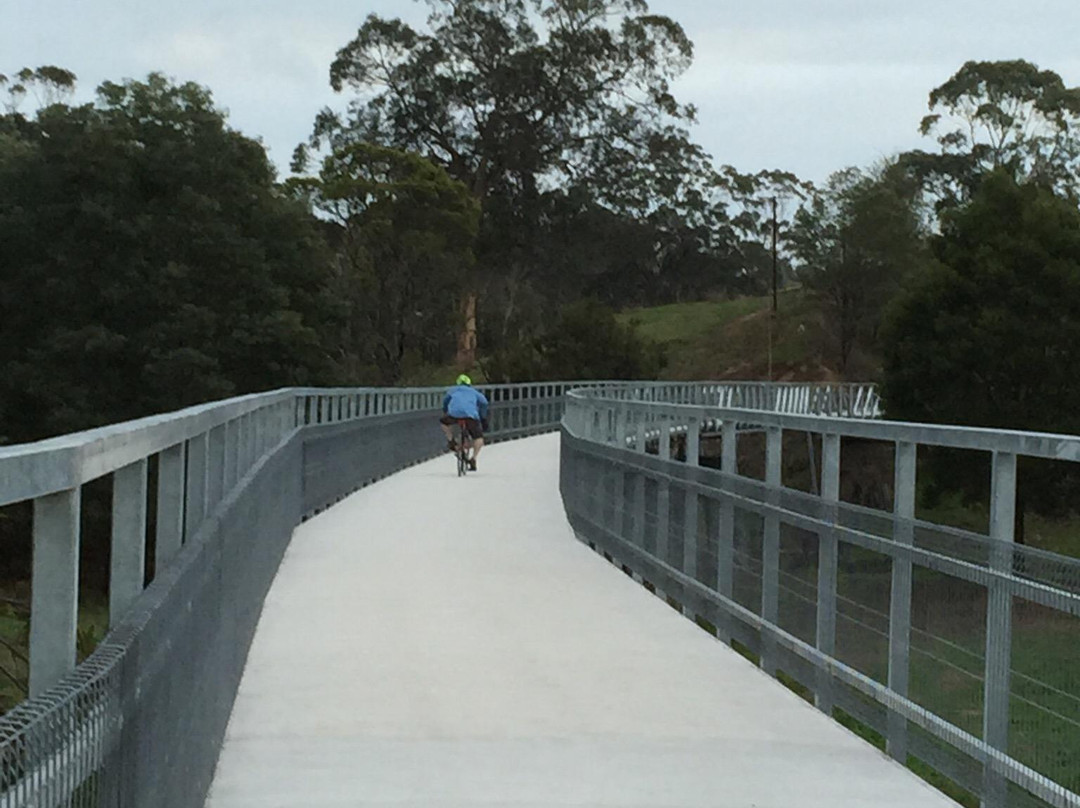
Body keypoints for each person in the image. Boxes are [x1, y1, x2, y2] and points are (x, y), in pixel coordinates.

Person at [440, 374, 489, 471]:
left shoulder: (453, 390)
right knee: (478, 438)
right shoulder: (474, 392)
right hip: (470, 416)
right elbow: (484, 403)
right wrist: (483, 418)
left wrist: (445, 411)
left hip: (454, 415)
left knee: (443, 423)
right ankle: (473, 459)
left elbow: (445, 401)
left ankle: (451, 440)